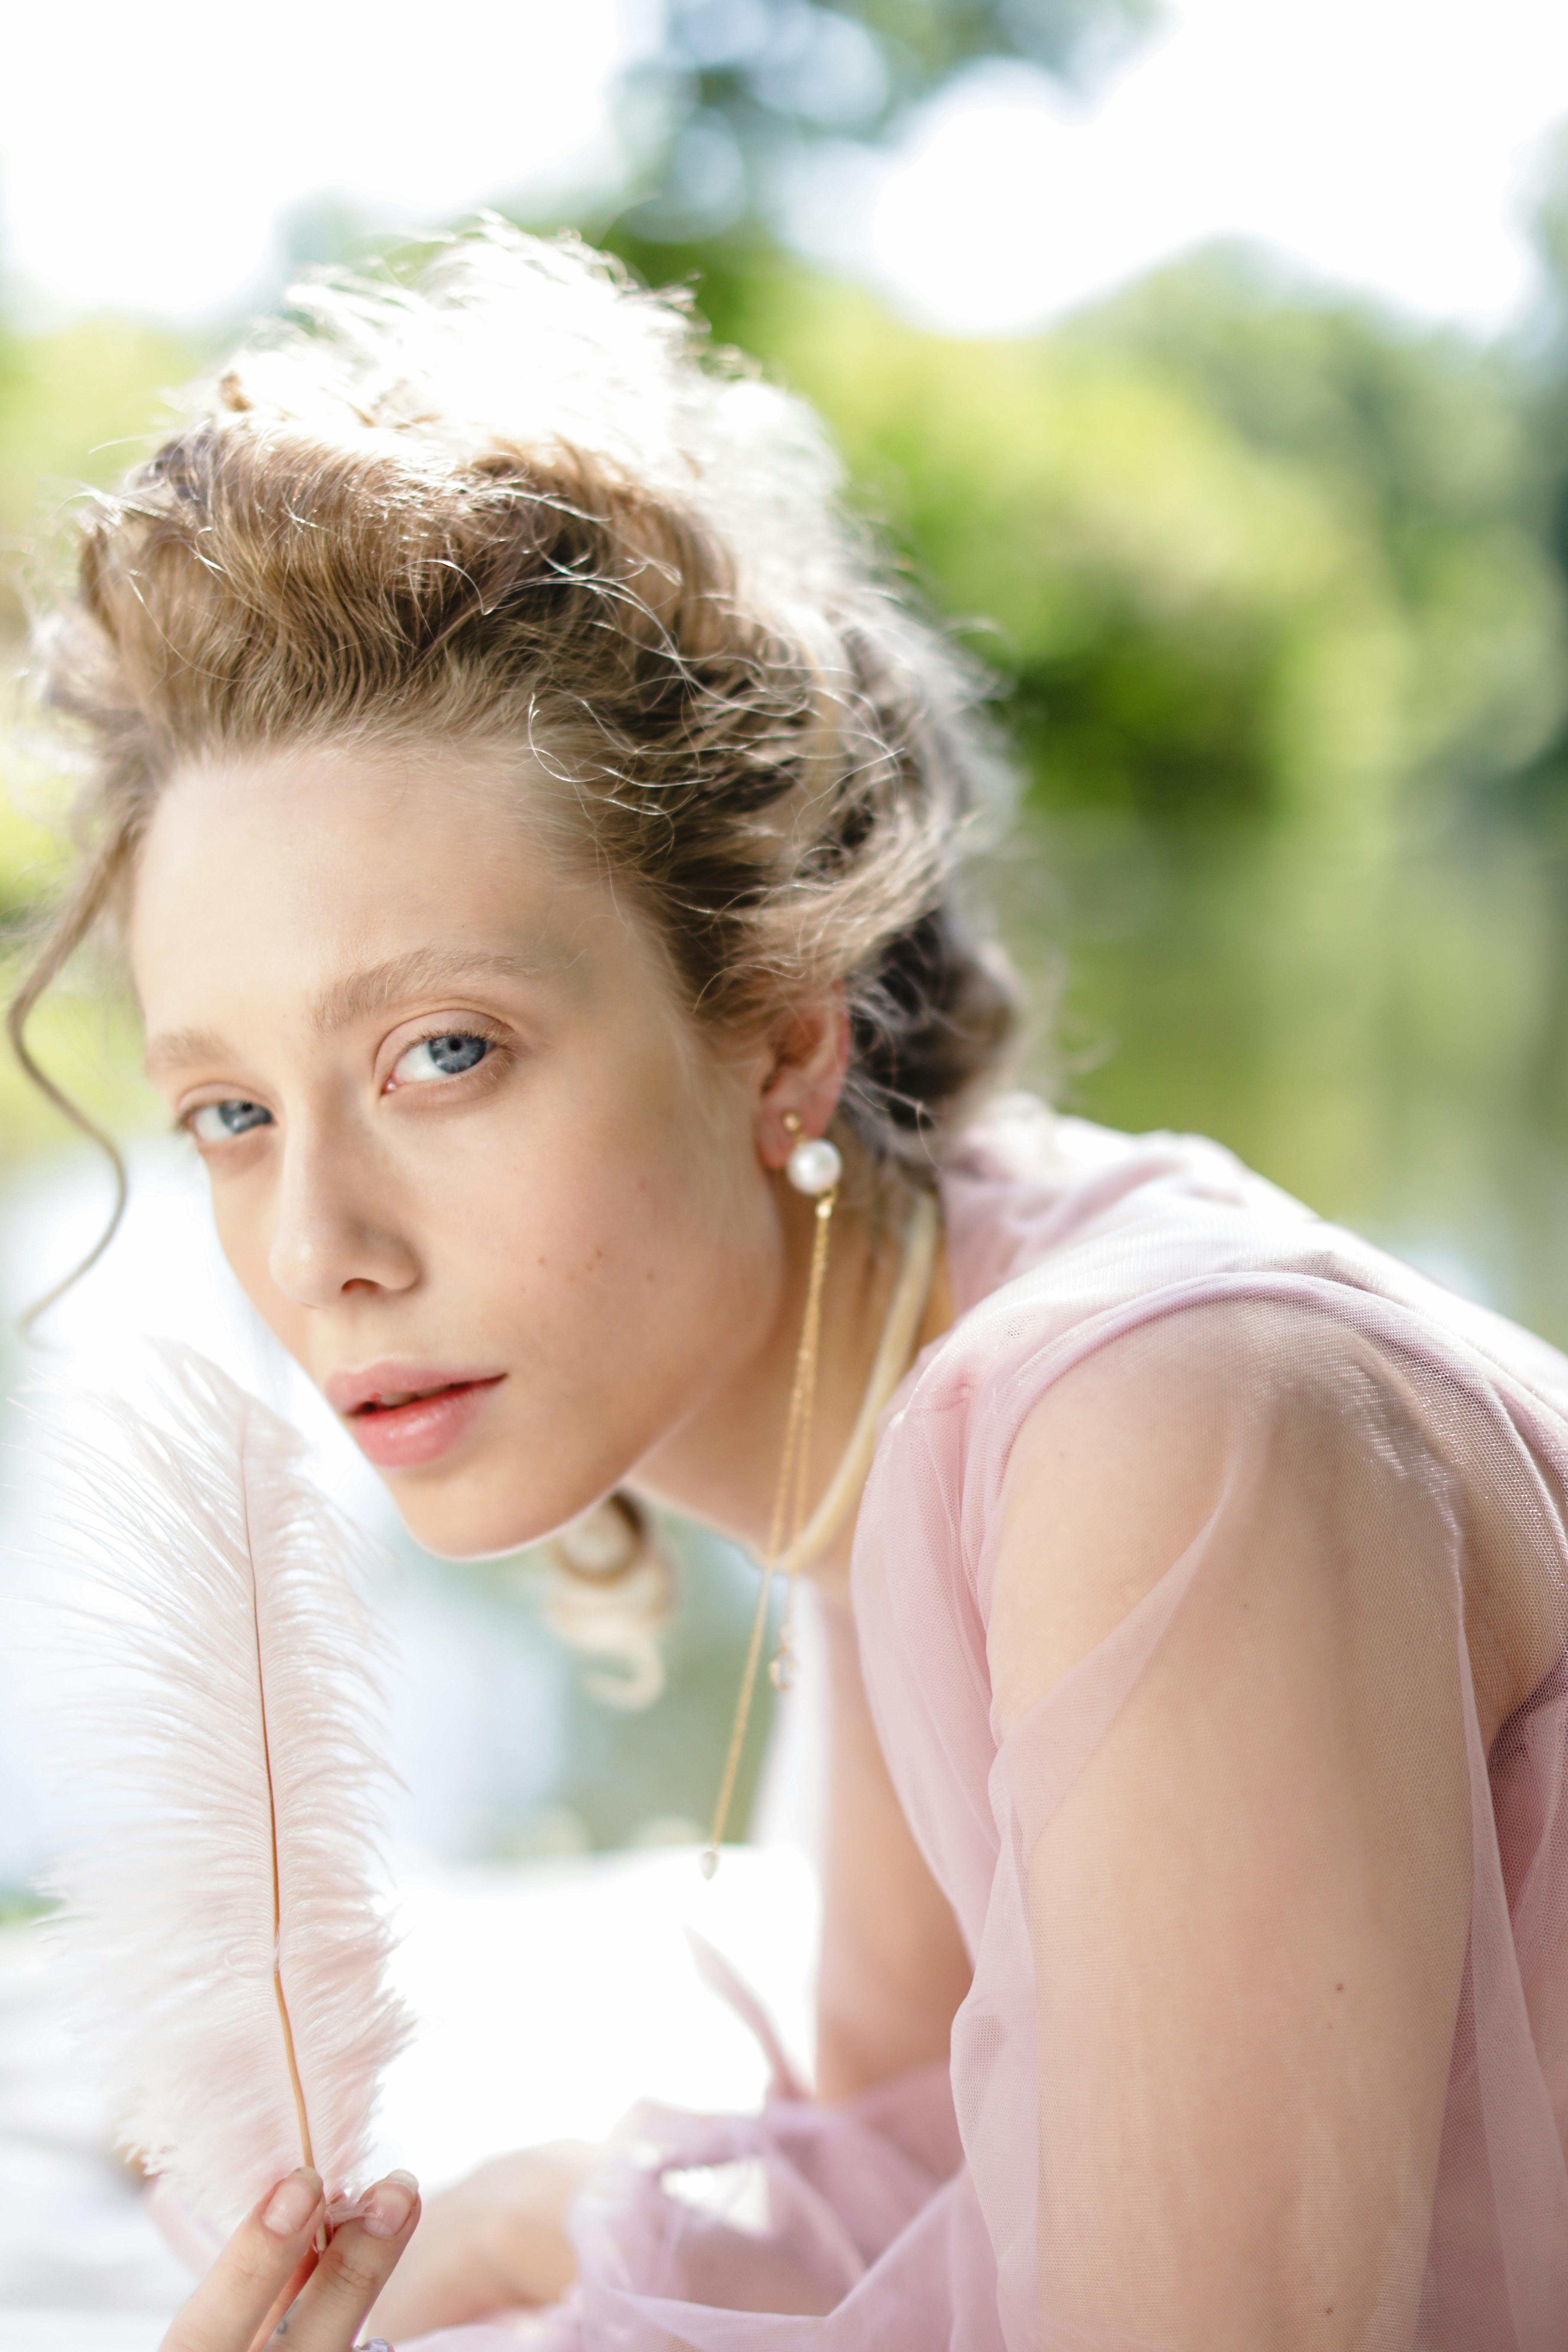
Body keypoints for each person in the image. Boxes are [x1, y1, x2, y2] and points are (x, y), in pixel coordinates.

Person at [12, 222, 1568, 2352]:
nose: (318, 1251)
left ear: (782, 1034)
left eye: (441, 1051)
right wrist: (507, 2229)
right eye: (228, 1111)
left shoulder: (1167, 1426)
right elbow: (911, 2137)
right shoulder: (918, 1395)